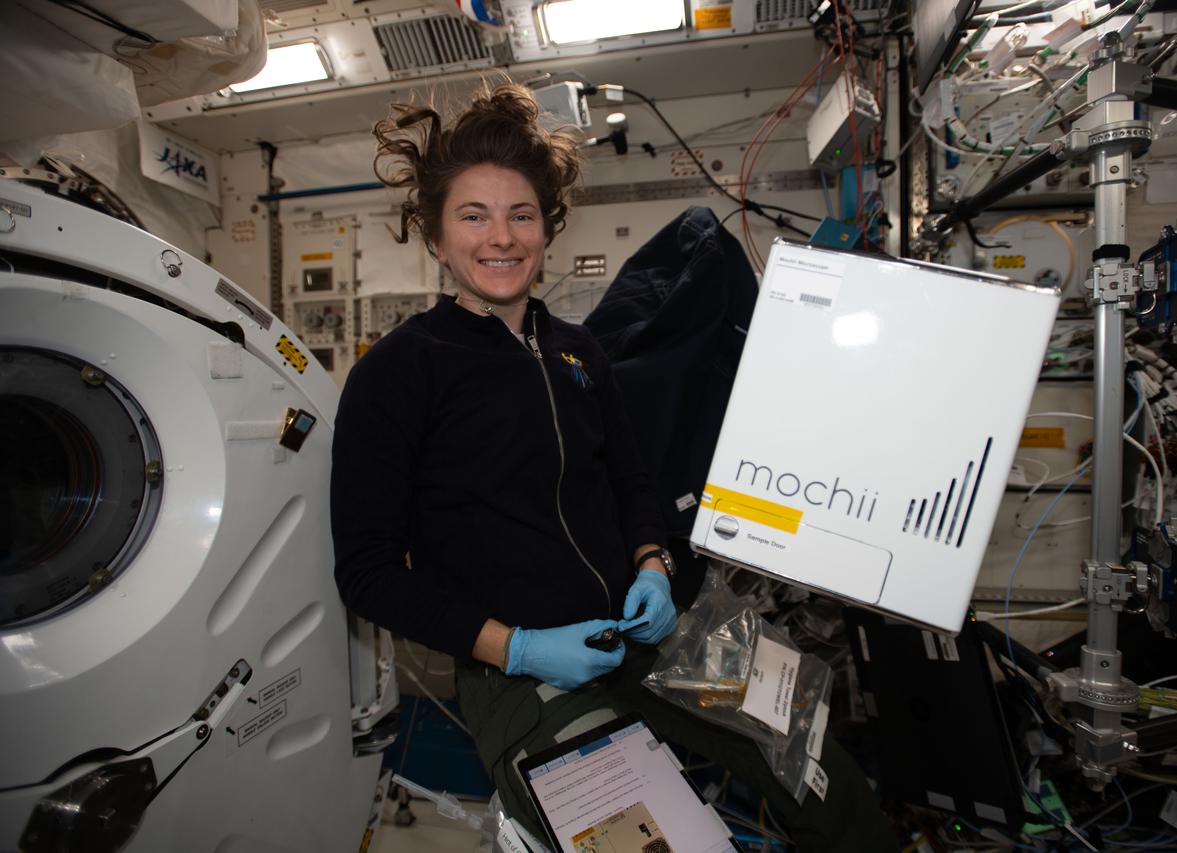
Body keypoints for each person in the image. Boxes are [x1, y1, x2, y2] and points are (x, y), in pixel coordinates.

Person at [330, 81, 897, 853]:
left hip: (651, 631)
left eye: (520, 214)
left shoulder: (577, 351)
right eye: (474, 215)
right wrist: (517, 646)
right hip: (522, 670)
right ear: (435, 236)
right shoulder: (398, 373)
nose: (501, 236)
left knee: (816, 760)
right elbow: (366, 573)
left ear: (545, 228)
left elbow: (631, 481)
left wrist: (654, 565)